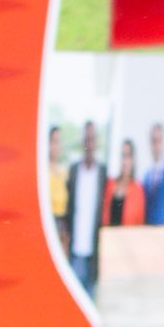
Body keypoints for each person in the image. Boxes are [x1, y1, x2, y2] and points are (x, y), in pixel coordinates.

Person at [66, 121, 104, 296]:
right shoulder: (74, 171)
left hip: (94, 255)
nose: (89, 143)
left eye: (92, 139)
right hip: (75, 253)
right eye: (86, 139)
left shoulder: (102, 172)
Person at [104, 139, 146, 228]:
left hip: (127, 236)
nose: (125, 161)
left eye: (128, 156)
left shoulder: (138, 190)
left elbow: (140, 223)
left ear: (133, 160)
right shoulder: (109, 184)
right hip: (107, 235)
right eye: (123, 156)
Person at [47, 124, 71, 252]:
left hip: (62, 225)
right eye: (54, 141)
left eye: (59, 142)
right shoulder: (42, 171)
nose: (57, 146)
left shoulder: (64, 171)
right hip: (48, 222)